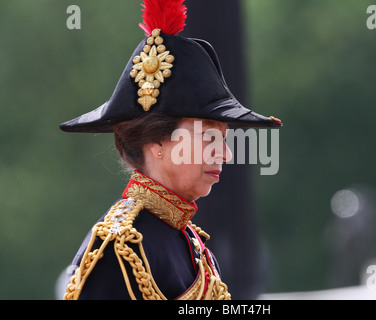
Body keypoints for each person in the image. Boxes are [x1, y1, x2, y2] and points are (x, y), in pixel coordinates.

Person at [60, 0, 282, 300]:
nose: (225, 153)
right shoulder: (119, 248)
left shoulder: (189, 240)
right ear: (157, 142)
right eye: (207, 136)